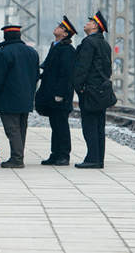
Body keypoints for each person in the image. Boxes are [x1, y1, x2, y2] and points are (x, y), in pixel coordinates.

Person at [0, 24, 39, 168]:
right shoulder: (32, 52)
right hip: (26, 98)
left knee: (12, 129)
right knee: (21, 128)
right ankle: (18, 156)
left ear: (5, 36)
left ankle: (17, 159)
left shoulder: (4, 53)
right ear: (19, 36)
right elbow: (36, 76)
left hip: (8, 99)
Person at [73, 10, 112, 168]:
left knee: (89, 125)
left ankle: (92, 159)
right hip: (102, 89)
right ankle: (98, 158)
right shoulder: (105, 44)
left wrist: (78, 86)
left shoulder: (89, 42)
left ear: (95, 26)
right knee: (99, 126)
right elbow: (108, 69)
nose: (86, 24)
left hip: (89, 90)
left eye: (89, 22)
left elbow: (82, 67)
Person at [35, 16, 77, 166]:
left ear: (65, 34)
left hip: (60, 96)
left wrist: (60, 94)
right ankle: (55, 154)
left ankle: (64, 155)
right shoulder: (56, 46)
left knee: (61, 126)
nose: (57, 28)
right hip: (52, 94)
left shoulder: (67, 50)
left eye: (61, 27)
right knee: (55, 125)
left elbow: (66, 75)